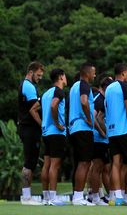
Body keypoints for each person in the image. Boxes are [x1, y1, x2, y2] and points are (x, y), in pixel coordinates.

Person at [104, 64, 127, 206]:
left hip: (112, 131)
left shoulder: (108, 89)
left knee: (116, 164)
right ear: (124, 73)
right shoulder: (124, 87)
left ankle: (117, 197)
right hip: (125, 130)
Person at [69, 62, 96, 206]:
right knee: (85, 163)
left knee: (80, 162)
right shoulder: (84, 84)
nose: (95, 75)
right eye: (93, 72)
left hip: (74, 128)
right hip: (82, 127)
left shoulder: (73, 86)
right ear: (87, 73)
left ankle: (77, 195)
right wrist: (89, 119)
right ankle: (78, 197)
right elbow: (84, 102)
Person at [18, 61, 44, 205]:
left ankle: (27, 196)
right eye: (38, 75)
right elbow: (34, 109)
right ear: (31, 72)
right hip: (29, 128)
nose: (39, 78)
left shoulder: (27, 85)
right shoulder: (28, 86)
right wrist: (42, 125)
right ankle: (26, 197)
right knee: (29, 162)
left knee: (31, 161)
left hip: (27, 128)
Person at [40, 68, 67, 206]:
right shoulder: (59, 91)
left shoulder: (46, 93)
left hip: (46, 132)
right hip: (56, 133)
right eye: (65, 76)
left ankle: (45, 197)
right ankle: (53, 197)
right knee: (55, 166)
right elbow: (53, 105)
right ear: (61, 77)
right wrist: (57, 123)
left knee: (47, 164)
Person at [89, 76, 113, 205]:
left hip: (98, 138)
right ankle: (96, 197)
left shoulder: (99, 97)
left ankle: (101, 195)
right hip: (98, 139)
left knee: (102, 168)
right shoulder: (100, 99)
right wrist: (103, 132)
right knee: (97, 168)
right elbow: (96, 117)